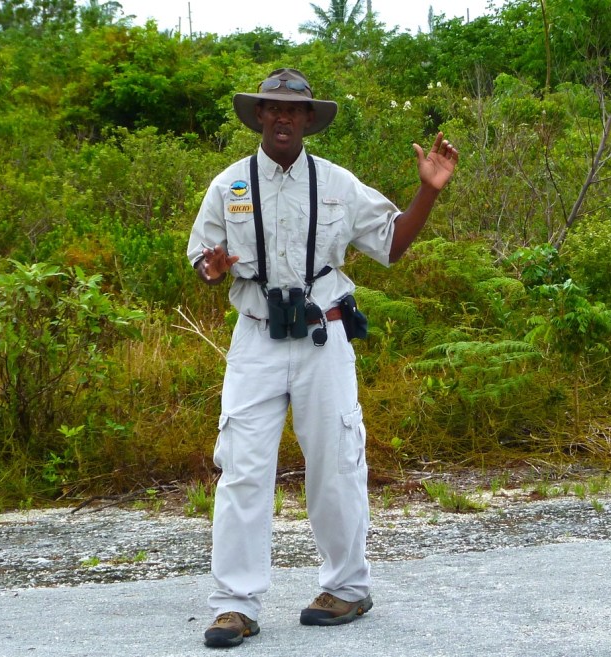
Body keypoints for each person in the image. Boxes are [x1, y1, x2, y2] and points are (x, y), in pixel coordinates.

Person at [187, 68, 458, 648]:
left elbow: (392, 244)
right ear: (258, 115)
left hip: (322, 336)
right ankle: (235, 605)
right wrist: (211, 268)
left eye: (295, 111)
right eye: (272, 109)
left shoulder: (337, 183)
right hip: (256, 337)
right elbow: (203, 259)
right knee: (242, 468)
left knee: (336, 462)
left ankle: (347, 588)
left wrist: (428, 189)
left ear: (309, 120)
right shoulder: (228, 186)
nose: (283, 118)